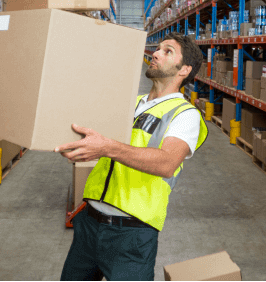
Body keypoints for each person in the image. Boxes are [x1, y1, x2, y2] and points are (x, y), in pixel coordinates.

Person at [56, 33, 208, 281]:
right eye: (157, 49)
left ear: (185, 70)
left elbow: (167, 163)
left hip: (131, 235)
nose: (156, 54)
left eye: (168, 51)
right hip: (89, 222)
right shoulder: (131, 104)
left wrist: (105, 147)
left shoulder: (184, 114)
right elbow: (99, 143)